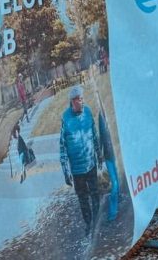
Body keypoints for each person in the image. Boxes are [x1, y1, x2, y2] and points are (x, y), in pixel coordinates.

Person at [59, 85, 102, 235]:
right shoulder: (65, 118)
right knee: (83, 198)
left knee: (95, 193)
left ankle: (97, 221)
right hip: (77, 170)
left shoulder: (88, 112)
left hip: (91, 164)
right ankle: (89, 224)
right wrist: (66, 172)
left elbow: (95, 134)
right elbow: (63, 147)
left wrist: (99, 155)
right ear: (72, 101)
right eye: (78, 100)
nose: (81, 102)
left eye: (82, 98)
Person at [99, 112, 119, 221]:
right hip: (109, 156)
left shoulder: (113, 112)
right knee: (115, 184)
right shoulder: (101, 116)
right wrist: (100, 155)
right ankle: (112, 214)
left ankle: (116, 209)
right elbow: (102, 137)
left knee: (117, 184)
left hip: (116, 154)